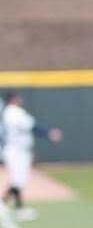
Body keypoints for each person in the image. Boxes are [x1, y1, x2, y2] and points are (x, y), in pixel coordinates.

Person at [2, 92, 62, 220]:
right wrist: (49, 133)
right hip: (16, 150)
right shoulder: (14, 112)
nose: (20, 99)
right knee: (18, 179)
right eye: (17, 97)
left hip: (17, 150)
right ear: (13, 99)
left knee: (18, 179)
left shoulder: (9, 112)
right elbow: (32, 126)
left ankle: (10, 206)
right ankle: (15, 208)